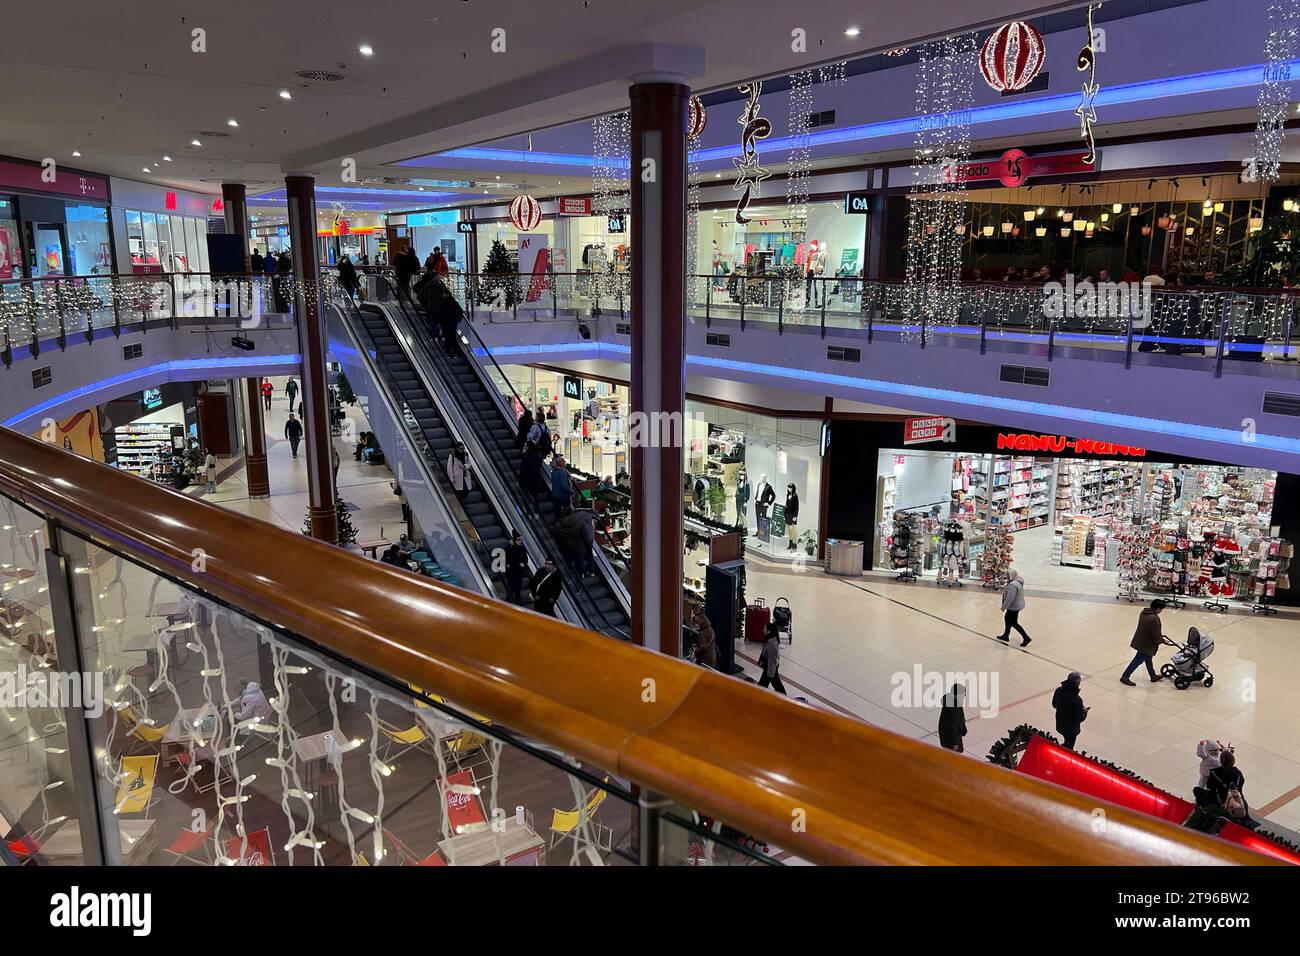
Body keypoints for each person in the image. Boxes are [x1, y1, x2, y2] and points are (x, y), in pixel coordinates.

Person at [1120, 599, 1166, 686]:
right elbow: (1155, 634)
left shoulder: (1144, 613)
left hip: (1140, 640)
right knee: (1137, 660)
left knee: (1148, 659)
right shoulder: (1155, 618)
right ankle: (1125, 676)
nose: (1161, 611)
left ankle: (1153, 676)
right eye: (1161, 609)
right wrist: (1162, 640)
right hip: (1147, 644)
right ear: (1158, 609)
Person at [1195, 750, 1250, 821]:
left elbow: (1210, 786)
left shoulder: (1214, 772)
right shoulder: (1238, 773)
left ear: (1221, 761)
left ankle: (1204, 810)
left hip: (1219, 801)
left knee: (1196, 790)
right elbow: (1240, 785)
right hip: (1237, 799)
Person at [1051, 672, 1089, 750]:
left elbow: (1054, 705)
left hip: (1060, 724)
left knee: (1066, 741)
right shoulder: (1077, 699)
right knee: (1069, 746)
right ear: (1078, 683)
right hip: (1071, 730)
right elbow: (1079, 718)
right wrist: (1084, 712)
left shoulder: (1058, 690)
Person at [996, 568, 1031, 646]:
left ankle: (1026, 638)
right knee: (1007, 619)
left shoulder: (1012, 585)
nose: (1006, 576)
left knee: (1013, 622)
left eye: (1008, 575)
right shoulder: (1017, 581)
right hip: (1017, 605)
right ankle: (1006, 635)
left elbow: (1010, 598)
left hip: (1014, 606)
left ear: (1011, 575)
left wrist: (1004, 606)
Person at [552, 506, 586, 577]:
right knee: (579, 564)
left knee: (568, 563)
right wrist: (588, 549)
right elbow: (585, 537)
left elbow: (553, 534)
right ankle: (579, 577)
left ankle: (569, 576)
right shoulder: (579, 523)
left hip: (566, 549)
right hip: (578, 548)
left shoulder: (558, 525)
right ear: (572, 513)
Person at [757, 622, 786, 695]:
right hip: (771, 667)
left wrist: (770, 674)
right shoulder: (769, 640)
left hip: (770, 668)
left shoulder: (771, 644)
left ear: (769, 631)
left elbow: (772, 661)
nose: (763, 630)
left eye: (764, 628)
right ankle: (783, 696)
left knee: (762, 686)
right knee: (776, 683)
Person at [938, 684, 967, 753]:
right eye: (964, 695)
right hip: (952, 742)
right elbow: (953, 725)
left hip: (947, 738)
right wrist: (955, 743)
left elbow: (958, 720)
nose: (964, 697)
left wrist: (963, 729)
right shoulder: (954, 706)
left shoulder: (952, 702)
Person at [504, 530, 528, 605]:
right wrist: (507, 564)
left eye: (521, 539)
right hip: (511, 572)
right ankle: (509, 602)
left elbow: (525, 558)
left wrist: (523, 564)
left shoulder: (522, 548)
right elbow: (505, 558)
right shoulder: (509, 548)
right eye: (518, 540)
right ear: (514, 540)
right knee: (511, 588)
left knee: (518, 589)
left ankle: (518, 603)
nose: (520, 541)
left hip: (519, 572)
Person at [784, 483, 800, 551]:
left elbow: (797, 507)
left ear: (793, 488)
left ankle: (794, 544)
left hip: (792, 515)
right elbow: (786, 505)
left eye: (790, 488)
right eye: (788, 487)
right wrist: (784, 514)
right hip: (787, 514)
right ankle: (790, 543)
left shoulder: (795, 496)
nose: (789, 489)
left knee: (792, 530)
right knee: (789, 530)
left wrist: (795, 516)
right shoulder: (788, 495)